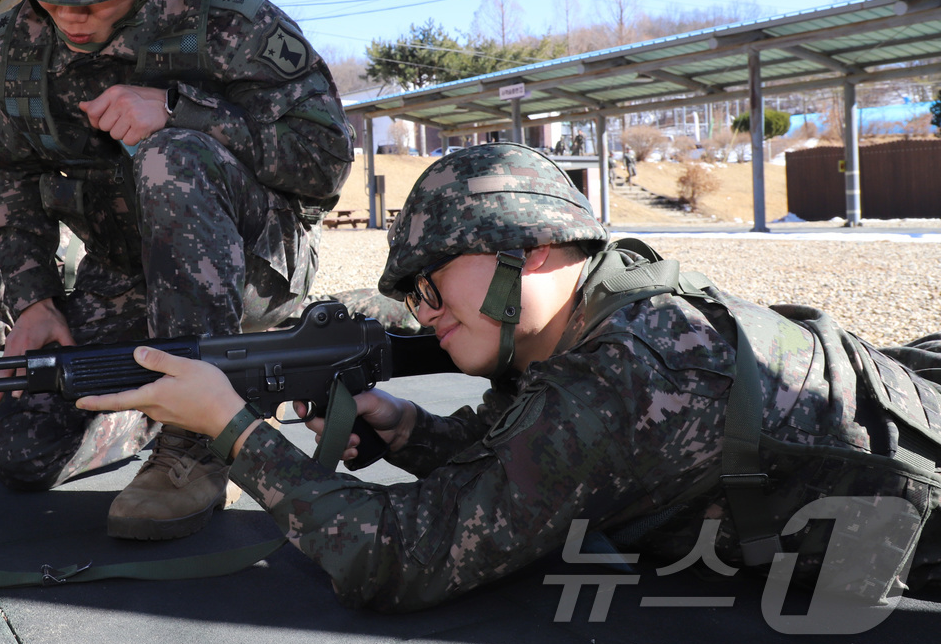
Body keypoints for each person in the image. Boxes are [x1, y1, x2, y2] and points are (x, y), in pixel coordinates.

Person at [79, 143, 941, 612]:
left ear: (519, 255)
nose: (421, 310)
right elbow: (531, 456)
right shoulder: (606, 308)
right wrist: (412, 428)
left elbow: (393, 557)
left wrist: (233, 427)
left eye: (429, 282)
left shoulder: (617, 376)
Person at [0, 0, 354, 540]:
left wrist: (181, 112)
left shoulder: (231, 25)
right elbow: (4, 173)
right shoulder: (15, 47)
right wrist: (33, 298)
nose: (72, 12)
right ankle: (150, 406)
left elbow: (324, 160)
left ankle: (200, 443)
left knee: (168, 156)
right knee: (19, 452)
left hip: (248, 273)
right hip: (125, 279)